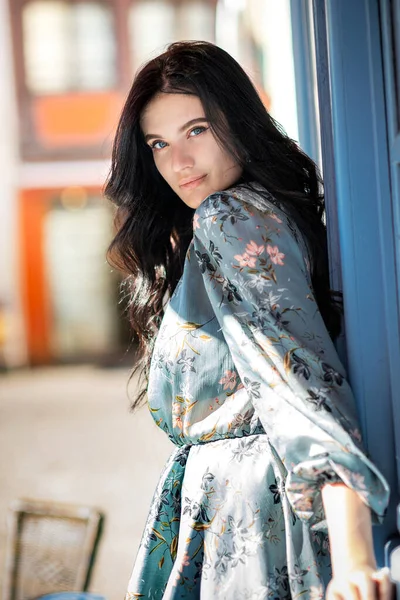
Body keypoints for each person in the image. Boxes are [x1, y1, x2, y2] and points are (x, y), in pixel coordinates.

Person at [105, 41, 392, 600]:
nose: (177, 163)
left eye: (197, 131)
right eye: (158, 143)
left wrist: (356, 556)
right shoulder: (257, 213)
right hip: (231, 515)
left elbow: (301, 384)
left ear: (238, 122)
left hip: (250, 518)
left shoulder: (229, 217)